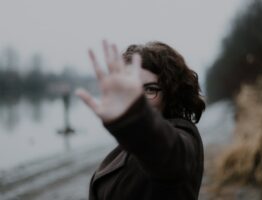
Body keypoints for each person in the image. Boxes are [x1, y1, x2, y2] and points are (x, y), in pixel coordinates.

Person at [76, 40, 206, 200]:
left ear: (171, 93)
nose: (136, 98)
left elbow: (170, 158)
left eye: (150, 89)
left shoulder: (182, 137)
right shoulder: (132, 142)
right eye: (132, 88)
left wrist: (134, 118)